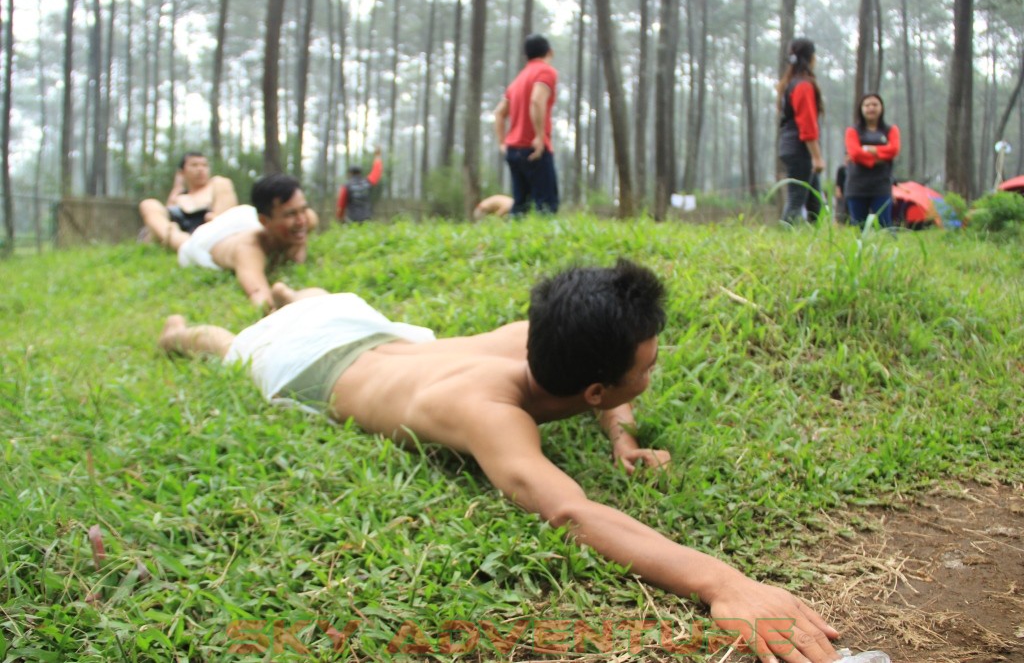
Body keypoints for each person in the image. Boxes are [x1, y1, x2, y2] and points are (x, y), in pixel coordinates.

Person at [159, 260, 842, 663]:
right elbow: (570, 510)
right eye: (649, 366)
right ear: (596, 385)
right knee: (230, 343)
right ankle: (187, 332)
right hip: (302, 361)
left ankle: (290, 294)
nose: (653, 371)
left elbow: (605, 394)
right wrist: (724, 582)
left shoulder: (544, 338)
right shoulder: (490, 412)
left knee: (313, 303)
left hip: (365, 324)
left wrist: (621, 439)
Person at [144, 173, 319, 312]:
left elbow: (308, 219)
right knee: (174, 237)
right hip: (204, 240)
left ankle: (211, 217)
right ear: (265, 220)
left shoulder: (304, 220)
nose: (301, 220)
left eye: (303, 210)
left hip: (240, 218)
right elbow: (259, 294)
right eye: (290, 214)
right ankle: (162, 222)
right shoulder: (249, 250)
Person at [493, 34, 559, 216]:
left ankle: (516, 242)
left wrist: (502, 143)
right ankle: (545, 243)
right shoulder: (546, 71)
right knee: (546, 207)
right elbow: (537, 101)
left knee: (520, 207)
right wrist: (539, 137)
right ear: (550, 52)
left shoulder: (519, 79)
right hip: (534, 148)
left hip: (514, 150)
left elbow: (499, 113)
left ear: (526, 57)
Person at [777, 38, 825, 225]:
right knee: (796, 200)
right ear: (811, 57)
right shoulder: (803, 85)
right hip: (800, 149)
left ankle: (817, 241)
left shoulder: (790, 83)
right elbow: (807, 124)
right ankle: (784, 238)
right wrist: (817, 156)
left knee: (815, 201)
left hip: (792, 146)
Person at [139, 152, 239, 237]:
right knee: (148, 204)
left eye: (204, 165)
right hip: (179, 233)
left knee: (222, 181)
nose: (200, 169)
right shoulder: (180, 196)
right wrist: (177, 187)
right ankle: (179, 241)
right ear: (182, 172)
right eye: (194, 165)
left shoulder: (218, 185)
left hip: (212, 231)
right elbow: (166, 215)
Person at [844, 93, 901, 229]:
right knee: (858, 229)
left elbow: (894, 150)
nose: (871, 108)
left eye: (875, 104)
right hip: (856, 187)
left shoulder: (891, 130)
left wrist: (869, 149)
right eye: (867, 105)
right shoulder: (852, 131)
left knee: (885, 228)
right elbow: (855, 153)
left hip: (881, 187)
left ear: (881, 107)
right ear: (861, 109)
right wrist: (880, 157)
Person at [336, 148, 383, 223]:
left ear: (350, 174)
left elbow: (341, 205)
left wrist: (339, 218)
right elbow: (376, 172)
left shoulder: (346, 186)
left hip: (352, 220)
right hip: (367, 219)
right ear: (360, 173)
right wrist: (377, 156)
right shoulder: (367, 182)